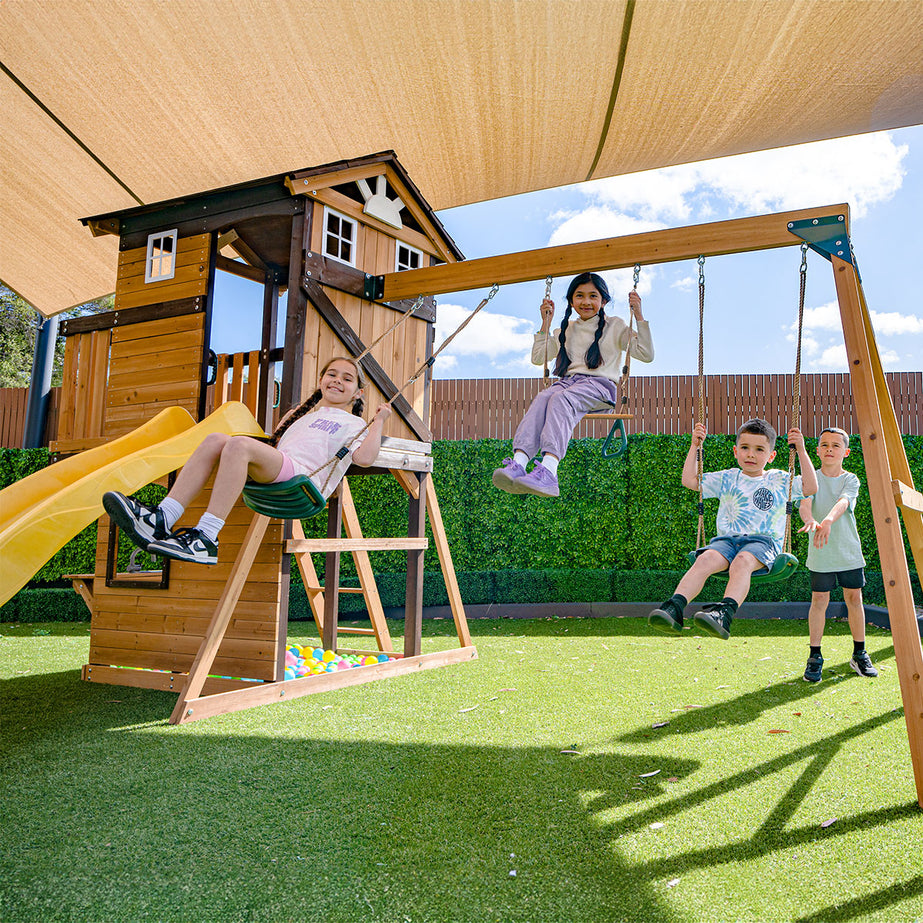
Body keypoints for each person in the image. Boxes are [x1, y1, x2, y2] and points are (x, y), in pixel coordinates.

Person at [103, 357, 391, 565]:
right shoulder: (303, 415)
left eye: (347, 378)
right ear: (320, 381)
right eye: (331, 374)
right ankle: (163, 517)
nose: (337, 380)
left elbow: (365, 458)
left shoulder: (354, 424)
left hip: (302, 481)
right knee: (217, 438)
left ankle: (206, 536)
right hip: (279, 468)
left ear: (358, 392)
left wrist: (379, 421)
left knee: (239, 445)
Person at [648, 418, 817, 639]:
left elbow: (811, 487)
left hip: (762, 543)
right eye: (745, 448)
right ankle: (674, 607)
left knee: (743, 561)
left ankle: (724, 614)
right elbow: (689, 480)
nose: (751, 455)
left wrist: (802, 451)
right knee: (705, 560)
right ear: (736, 451)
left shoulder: (779, 479)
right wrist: (694, 445)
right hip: (726, 542)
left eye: (759, 450)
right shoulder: (727, 477)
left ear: (771, 455)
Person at [491, 271, 654, 498]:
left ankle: (549, 471)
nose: (586, 302)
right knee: (543, 398)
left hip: (599, 387)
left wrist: (638, 315)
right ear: (571, 301)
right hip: (568, 384)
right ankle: (518, 463)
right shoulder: (564, 329)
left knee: (559, 399)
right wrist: (545, 323)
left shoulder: (615, 325)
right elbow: (538, 357)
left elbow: (646, 354)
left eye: (593, 296)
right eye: (579, 296)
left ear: (603, 300)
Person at [797, 426, 877, 682]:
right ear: (818, 450)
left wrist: (828, 520)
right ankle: (815, 657)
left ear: (846, 452)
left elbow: (844, 501)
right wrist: (809, 520)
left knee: (854, 599)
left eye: (835, 445)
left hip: (848, 551)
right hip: (821, 553)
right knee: (819, 601)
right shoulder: (809, 478)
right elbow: (805, 504)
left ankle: (860, 654)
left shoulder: (850, 479)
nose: (829, 449)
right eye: (825, 445)